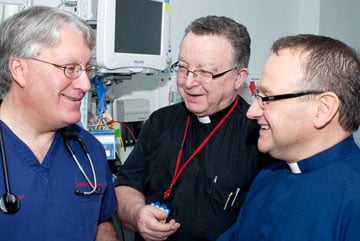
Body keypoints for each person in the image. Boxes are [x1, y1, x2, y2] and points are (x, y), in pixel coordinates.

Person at [115, 15, 271, 241]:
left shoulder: (260, 137)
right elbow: (125, 187)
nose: (188, 82)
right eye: (183, 68)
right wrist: (137, 213)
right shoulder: (159, 122)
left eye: (205, 72)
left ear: (239, 77)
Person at [217, 34, 360, 241]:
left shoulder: (354, 197)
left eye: (267, 98)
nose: (252, 112)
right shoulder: (268, 176)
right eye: (257, 97)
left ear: (323, 109)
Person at [0, 6, 119, 241]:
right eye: (70, 69)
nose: (86, 84)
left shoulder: (89, 150)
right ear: (19, 70)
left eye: (87, 70)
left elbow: (100, 222)